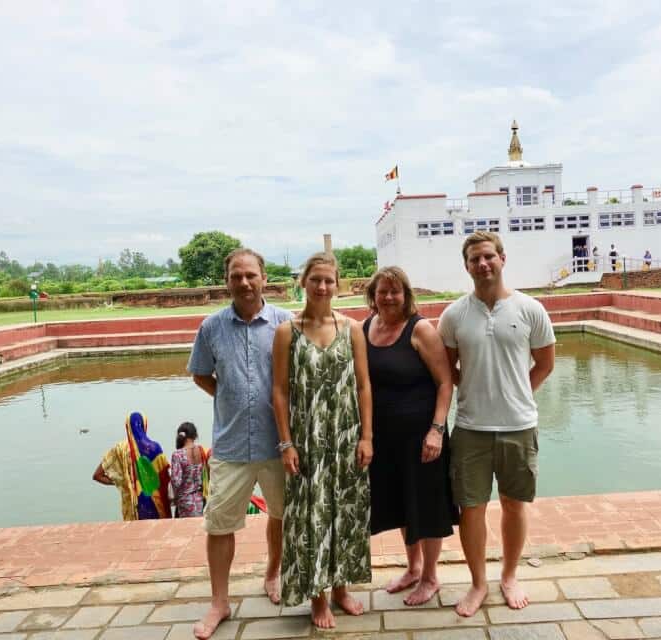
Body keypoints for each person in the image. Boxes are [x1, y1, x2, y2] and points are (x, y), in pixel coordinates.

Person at [438, 231, 556, 617]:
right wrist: (472, 388)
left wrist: (520, 393)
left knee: (513, 505)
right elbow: (447, 369)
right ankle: (478, 583)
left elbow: (545, 363)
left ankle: (509, 575)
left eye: (489, 256)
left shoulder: (530, 309)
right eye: (475, 259)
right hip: (471, 428)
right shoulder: (454, 315)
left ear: (502, 259)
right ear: (467, 266)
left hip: (519, 426)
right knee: (471, 508)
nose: (483, 264)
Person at [188, 248, 293, 640]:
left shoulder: (286, 322)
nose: (244, 282)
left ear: (264, 277)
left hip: (278, 443)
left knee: (280, 515)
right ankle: (220, 601)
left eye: (251, 275)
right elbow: (200, 374)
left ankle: (274, 571)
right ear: (227, 280)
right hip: (231, 444)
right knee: (219, 525)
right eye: (236, 276)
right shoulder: (211, 327)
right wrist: (228, 397)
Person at [272, 251, 373, 630]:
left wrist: (366, 436)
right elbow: (279, 392)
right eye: (316, 279)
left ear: (338, 283)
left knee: (346, 511)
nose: (323, 286)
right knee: (311, 516)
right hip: (307, 440)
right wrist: (286, 443)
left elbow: (363, 385)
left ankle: (342, 589)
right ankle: (317, 596)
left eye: (329, 280)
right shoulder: (288, 331)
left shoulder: (352, 328)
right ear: (304, 282)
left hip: (346, 438)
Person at [363, 266, 458, 606]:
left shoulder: (420, 330)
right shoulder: (365, 328)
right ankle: (413, 567)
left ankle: (431, 576)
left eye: (395, 291)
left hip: (422, 436)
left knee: (427, 505)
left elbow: (445, 383)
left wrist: (436, 430)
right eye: (382, 291)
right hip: (386, 437)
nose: (389, 297)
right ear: (372, 296)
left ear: (406, 295)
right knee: (403, 502)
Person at [93, 412, 172, 521]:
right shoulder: (154, 448)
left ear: (127, 427)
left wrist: (123, 482)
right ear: (144, 425)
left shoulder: (119, 448)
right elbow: (164, 478)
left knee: (135, 535)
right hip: (155, 504)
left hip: (131, 505)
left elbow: (97, 475)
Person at [170, 422, 210, 518]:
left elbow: (176, 482)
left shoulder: (178, 455)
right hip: (201, 501)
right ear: (195, 436)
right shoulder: (202, 451)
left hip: (185, 503)